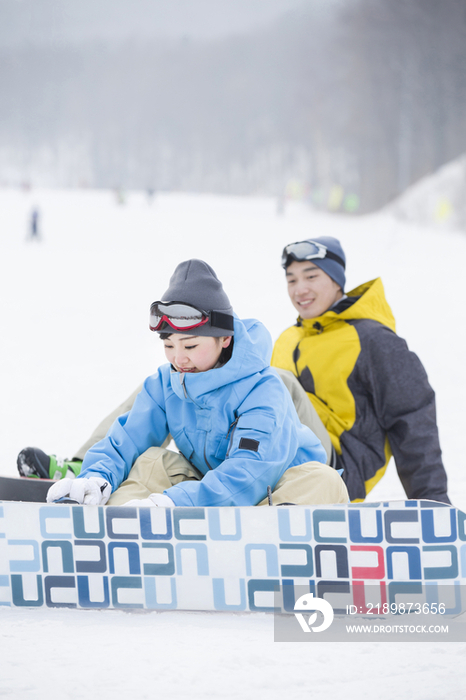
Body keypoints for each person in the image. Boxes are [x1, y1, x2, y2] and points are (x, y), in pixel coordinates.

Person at [45, 259, 348, 507]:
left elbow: (250, 473)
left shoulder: (262, 389)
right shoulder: (168, 383)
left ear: (224, 338)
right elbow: (127, 438)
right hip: (211, 494)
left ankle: (274, 551)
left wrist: (177, 503)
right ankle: (116, 524)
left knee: (323, 480)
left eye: (190, 347)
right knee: (151, 460)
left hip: (274, 495)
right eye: (169, 346)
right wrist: (99, 476)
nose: (179, 359)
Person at [272, 236, 450, 504]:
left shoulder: (372, 339)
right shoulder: (289, 338)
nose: (300, 290)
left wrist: (433, 502)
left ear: (336, 281)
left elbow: (412, 417)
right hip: (278, 459)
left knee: (274, 383)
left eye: (311, 277)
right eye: (292, 280)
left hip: (337, 468)